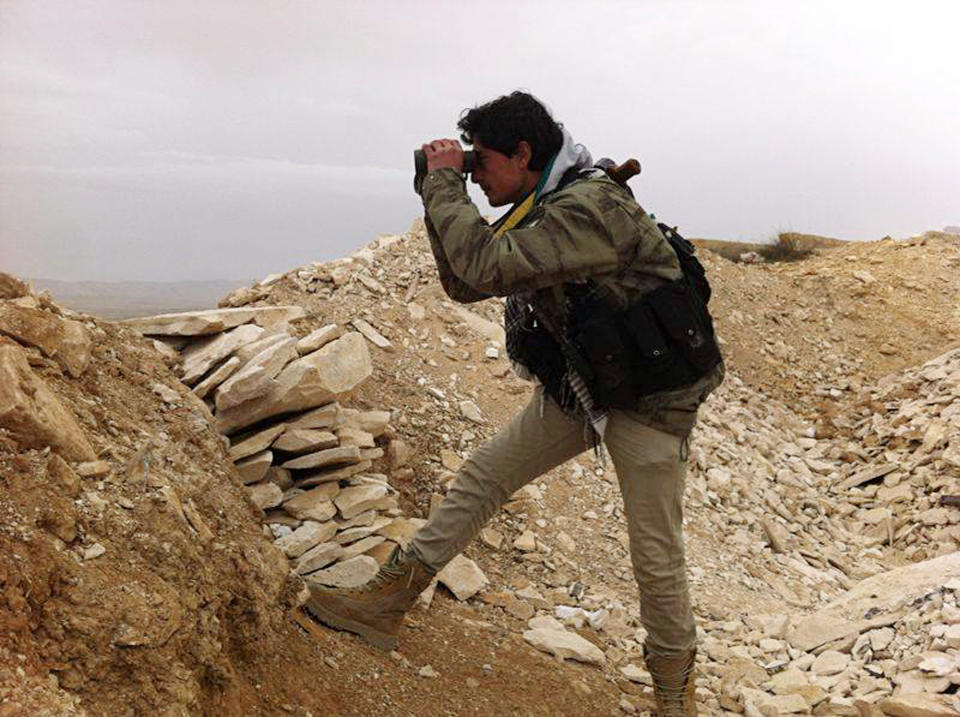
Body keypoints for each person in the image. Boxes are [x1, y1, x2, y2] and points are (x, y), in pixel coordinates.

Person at [305, 91, 723, 716]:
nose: (478, 173)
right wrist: (437, 190)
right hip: (587, 386)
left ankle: (673, 692)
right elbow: (465, 281)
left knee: (653, 549)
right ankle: (383, 603)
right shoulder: (547, 202)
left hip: (651, 402)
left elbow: (486, 266)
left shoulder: (586, 208)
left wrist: (449, 185)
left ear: (524, 152)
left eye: (486, 161)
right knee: (484, 477)